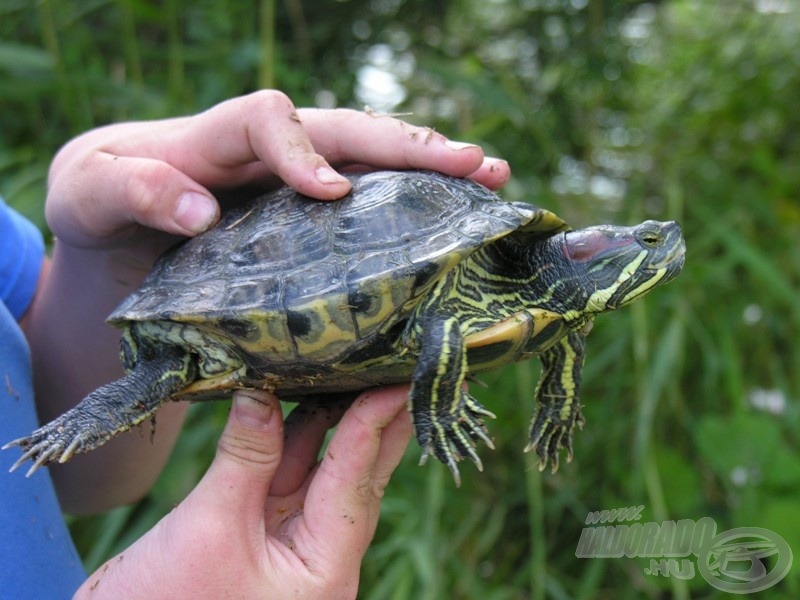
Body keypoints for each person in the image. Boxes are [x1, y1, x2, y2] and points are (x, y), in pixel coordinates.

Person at [0, 90, 510, 599]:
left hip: (267, 322)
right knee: (167, 367)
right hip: (227, 333)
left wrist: (113, 255)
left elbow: (72, 479)